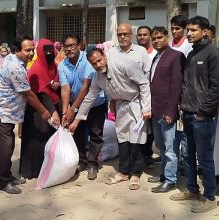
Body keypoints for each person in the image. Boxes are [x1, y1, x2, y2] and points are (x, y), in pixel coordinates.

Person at [69, 48, 151, 190]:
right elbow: (89, 98)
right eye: (94, 63)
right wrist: (77, 120)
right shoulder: (98, 77)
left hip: (137, 103)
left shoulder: (122, 64)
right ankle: (124, 171)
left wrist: (146, 108)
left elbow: (143, 83)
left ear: (104, 56)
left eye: (99, 60)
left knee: (136, 139)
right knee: (123, 139)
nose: (98, 65)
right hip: (121, 106)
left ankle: (135, 173)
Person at [170, 16, 219, 213]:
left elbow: (218, 88)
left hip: (202, 117)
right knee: (188, 156)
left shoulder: (214, 55)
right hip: (186, 114)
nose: (190, 33)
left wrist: (203, 112)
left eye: (194, 30)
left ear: (205, 31)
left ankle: (209, 196)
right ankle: (192, 189)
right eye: (189, 30)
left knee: (204, 158)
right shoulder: (192, 54)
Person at [0, 36, 56, 194]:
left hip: (8, 112)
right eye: (27, 50)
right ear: (17, 50)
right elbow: (29, 95)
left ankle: (7, 175)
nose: (31, 53)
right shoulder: (14, 67)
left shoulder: (15, 60)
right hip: (0, 113)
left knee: (8, 147)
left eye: (32, 49)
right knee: (3, 149)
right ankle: (2, 182)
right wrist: (44, 111)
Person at [58, 33, 107, 180]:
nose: (69, 49)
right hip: (76, 103)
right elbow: (65, 88)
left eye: (72, 45)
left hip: (95, 103)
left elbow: (86, 86)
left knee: (95, 134)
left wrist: (73, 110)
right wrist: (65, 111)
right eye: (66, 46)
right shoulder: (62, 65)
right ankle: (82, 161)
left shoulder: (88, 59)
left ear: (79, 45)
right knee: (77, 134)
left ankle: (93, 164)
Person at [109, 23, 154, 165]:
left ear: (131, 35)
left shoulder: (141, 52)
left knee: (138, 134)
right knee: (122, 135)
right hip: (121, 102)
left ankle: (137, 168)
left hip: (138, 101)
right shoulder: (111, 53)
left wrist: (146, 106)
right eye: (119, 35)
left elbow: (146, 78)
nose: (122, 37)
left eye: (125, 34)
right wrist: (112, 98)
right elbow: (109, 77)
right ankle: (124, 167)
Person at [148, 26, 185, 193]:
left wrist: (171, 111)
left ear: (167, 38)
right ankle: (164, 173)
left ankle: (171, 180)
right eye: (154, 38)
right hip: (155, 111)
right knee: (161, 147)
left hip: (167, 112)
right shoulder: (156, 57)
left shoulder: (176, 56)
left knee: (170, 148)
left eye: (159, 38)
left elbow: (176, 86)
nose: (156, 41)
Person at [19, 38, 61, 180]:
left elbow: (54, 85)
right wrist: (52, 111)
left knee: (46, 141)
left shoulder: (53, 66)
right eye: (46, 50)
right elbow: (41, 92)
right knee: (34, 141)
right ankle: (30, 171)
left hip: (49, 107)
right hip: (36, 109)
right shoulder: (37, 68)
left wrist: (57, 85)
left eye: (51, 50)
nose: (49, 53)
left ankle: (44, 169)